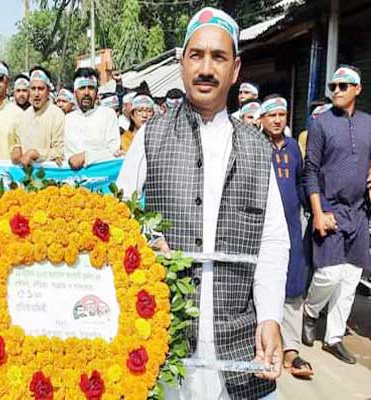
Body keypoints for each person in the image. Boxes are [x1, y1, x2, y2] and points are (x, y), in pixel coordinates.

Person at [116, 8, 288, 399]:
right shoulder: (151, 137)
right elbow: (118, 219)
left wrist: (272, 318)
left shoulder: (258, 150)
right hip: (165, 340)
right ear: (182, 63)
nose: (206, 68)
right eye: (196, 55)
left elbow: (274, 241)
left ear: (236, 68)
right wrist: (144, 243)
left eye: (219, 57)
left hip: (239, 344)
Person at [302, 65, 371, 365]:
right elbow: (311, 171)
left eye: (344, 85)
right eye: (333, 86)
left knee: (350, 277)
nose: (337, 91)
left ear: (358, 89)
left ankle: (333, 337)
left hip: (359, 212)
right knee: (329, 273)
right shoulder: (321, 124)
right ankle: (310, 311)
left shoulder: (369, 123)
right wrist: (317, 211)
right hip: (329, 207)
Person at [258, 95, 312, 378]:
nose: (278, 120)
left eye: (282, 114)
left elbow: (302, 180)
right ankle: (263, 343)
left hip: (292, 223)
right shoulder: (254, 145)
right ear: (262, 119)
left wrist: (313, 208)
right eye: (272, 115)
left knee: (293, 280)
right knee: (265, 278)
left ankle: (290, 348)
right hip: (262, 226)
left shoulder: (292, 147)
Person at [64, 67, 120, 170]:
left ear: (97, 92)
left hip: (101, 178)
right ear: (75, 93)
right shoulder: (67, 120)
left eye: (90, 88)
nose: (86, 93)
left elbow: (114, 150)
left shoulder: (108, 115)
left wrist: (86, 157)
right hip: (70, 181)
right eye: (82, 88)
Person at [11, 67, 65, 167]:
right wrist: (15, 148)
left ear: (48, 91)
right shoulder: (24, 116)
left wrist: (36, 154)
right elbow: (18, 143)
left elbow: (60, 151)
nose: (36, 94)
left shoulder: (57, 115)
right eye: (33, 89)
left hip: (47, 176)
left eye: (41, 89)